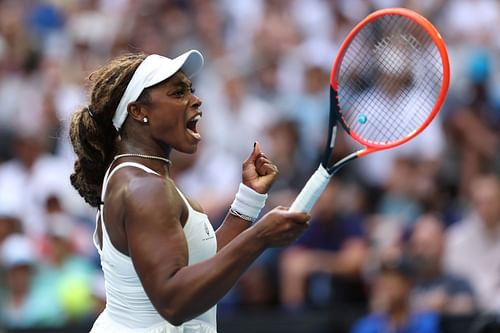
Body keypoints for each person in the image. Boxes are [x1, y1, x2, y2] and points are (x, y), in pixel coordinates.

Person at [68, 50, 310, 333]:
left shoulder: (136, 177)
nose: (196, 100)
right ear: (138, 111)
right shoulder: (145, 189)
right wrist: (260, 237)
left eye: (191, 90)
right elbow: (174, 302)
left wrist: (248, 200)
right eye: (178, 93)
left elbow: (200, 262)